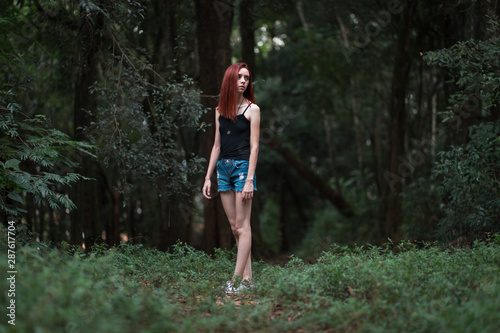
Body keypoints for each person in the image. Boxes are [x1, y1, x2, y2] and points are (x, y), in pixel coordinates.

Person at [202, 62, 260, 293]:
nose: (244, 81)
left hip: (243, 168)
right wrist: (208, 177)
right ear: (230, 80)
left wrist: (249, 180)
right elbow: (216, 146)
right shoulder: (219, 111)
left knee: (243, 226)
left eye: (247, 78)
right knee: (235, 228)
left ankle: (236, 282)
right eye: (240, 77)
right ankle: (248, 280)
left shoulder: (252, 109)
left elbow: (255, 147)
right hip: (223, 171)